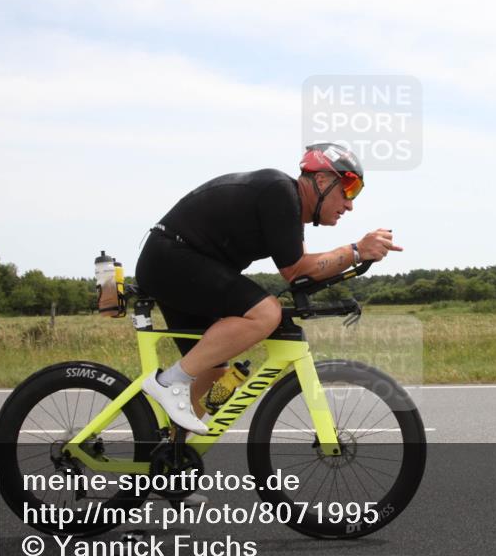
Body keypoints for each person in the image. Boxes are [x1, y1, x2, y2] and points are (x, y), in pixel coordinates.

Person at [134, 142, 402, 434]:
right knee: (265, 312)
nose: (350, 204)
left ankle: (165, 452)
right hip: (171, 259)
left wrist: (355, 256)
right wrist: (356, 250)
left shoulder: (288, 209)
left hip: (181, 265)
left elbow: (301, 271)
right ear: (322, 179)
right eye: (348, 189)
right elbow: (296, 270)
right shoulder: (280, 192)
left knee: (214, 373)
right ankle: (169, 382)